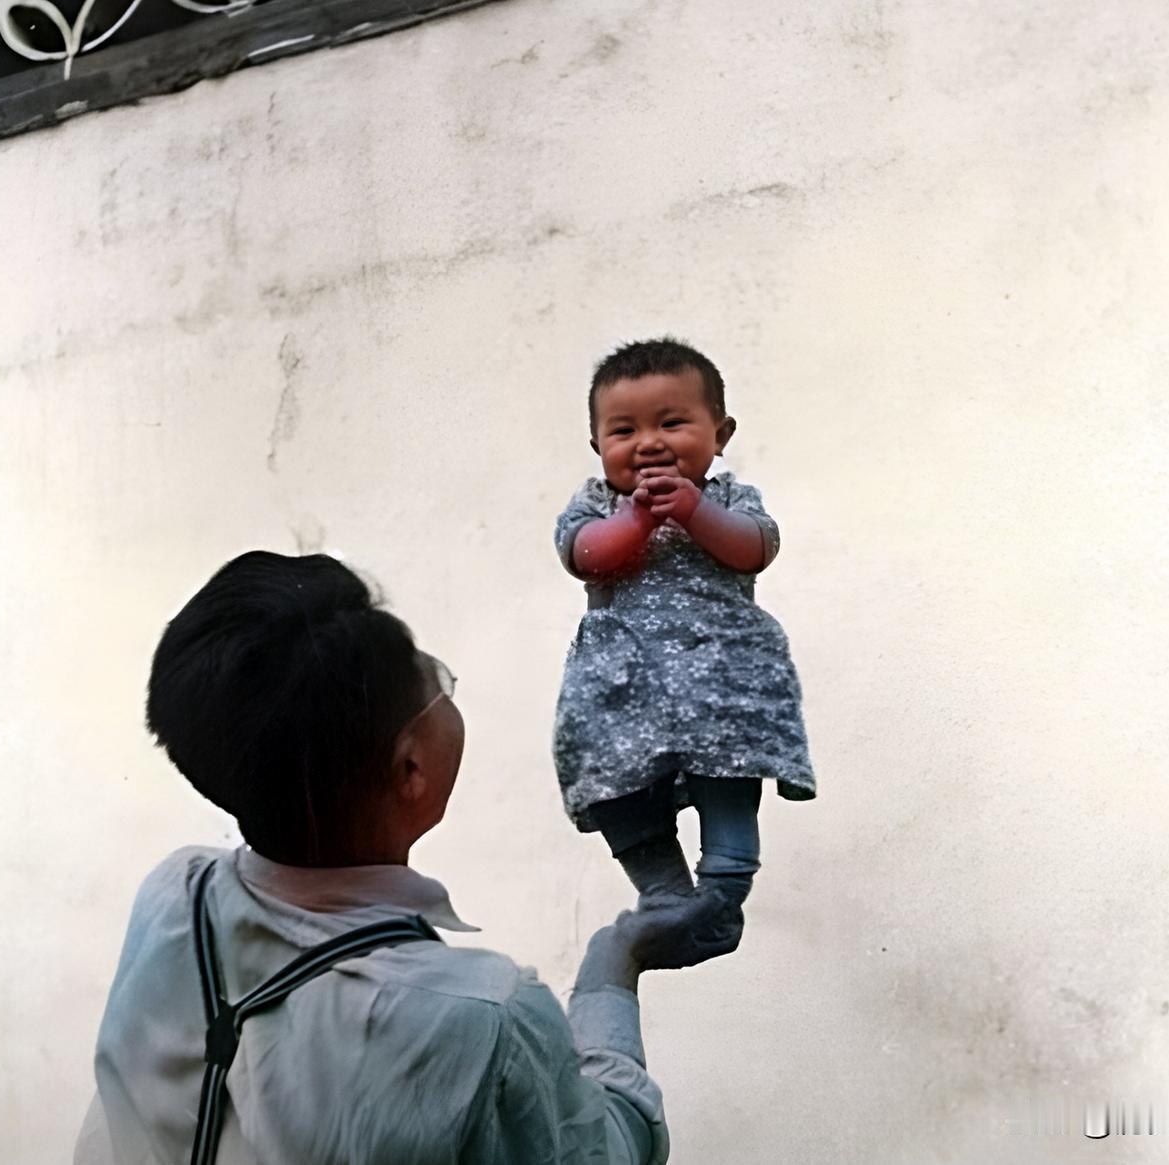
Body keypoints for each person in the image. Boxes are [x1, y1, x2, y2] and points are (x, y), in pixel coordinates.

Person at [74, 550, 734, 1165]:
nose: (445, 685)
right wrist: (611, 971)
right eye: (432, 677)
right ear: (410, 769)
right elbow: (605, 1147)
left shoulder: (172, 897)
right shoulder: (481, 1019)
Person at [552, 337, 817, 952]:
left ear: (719, 434)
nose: (648, 442)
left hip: (721, 678)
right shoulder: (597, 505)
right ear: (598, 448)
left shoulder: (730, 500)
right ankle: (665, 892)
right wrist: (637, 521)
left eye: (671, 423)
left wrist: (695, 512)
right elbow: (586, 558)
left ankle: (724, 888)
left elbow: (755, 548)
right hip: (622, 685)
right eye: (624, 431)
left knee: (728, 777)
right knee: (612, 784)